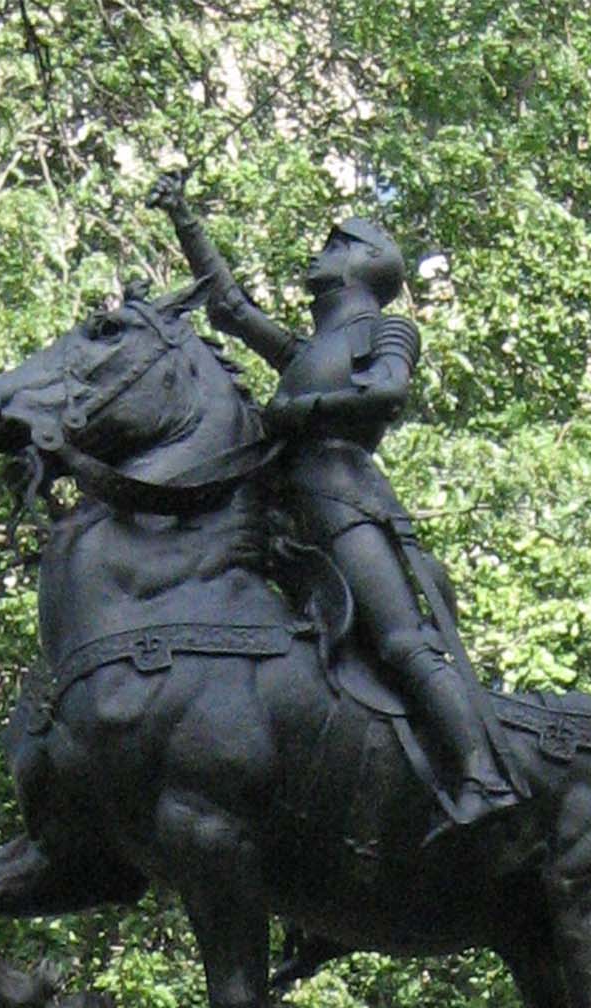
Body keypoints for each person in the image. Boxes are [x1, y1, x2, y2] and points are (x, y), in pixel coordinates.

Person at [149, 175, 519, 831]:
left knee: (402, 642)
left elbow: (387, 395)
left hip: (343, 499)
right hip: (279, 514)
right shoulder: (306, 349)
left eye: (333, 245)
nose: (317, 256)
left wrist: (300, 408)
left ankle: (483, 781)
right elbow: (228, 307)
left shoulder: (387, 330)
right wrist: (184, 218)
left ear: (361, 261)